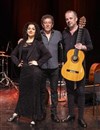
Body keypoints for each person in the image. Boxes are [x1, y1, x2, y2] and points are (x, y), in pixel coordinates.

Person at [7, 22, 52, 126]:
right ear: (26, 31)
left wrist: (38, 62)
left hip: (35, 72)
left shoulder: (38, 43)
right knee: (23, 93)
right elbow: (13, 54)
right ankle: (17, 112)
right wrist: (18, 63)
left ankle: (34, 116)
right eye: (29, 28)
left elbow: (48, 55)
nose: (31, 30)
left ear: (36, 31)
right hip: (24, 71)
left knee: (34, 94)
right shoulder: (22, 42)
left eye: (33, 29)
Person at [61, 10, 93, 128]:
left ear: (76, 19)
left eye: (70, 18)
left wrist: (82, 46)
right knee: (69, 92)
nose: (68, 20)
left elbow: (90, 46)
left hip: (79, 67)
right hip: (68, 67)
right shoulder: (64, 33)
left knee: (80, 92)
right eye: (66, 19)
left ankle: (81, 118)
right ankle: (71, 115)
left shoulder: (84, 32)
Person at [40, 14, 62, 123]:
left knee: (54, 91)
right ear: (42, 24)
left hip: (54, 67)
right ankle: (42, 113)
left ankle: (54, 114)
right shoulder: (38, 35)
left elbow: (64, 46)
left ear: (52, 24)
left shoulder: (58, 34)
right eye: (45, 22)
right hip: (42, 67)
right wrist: (21, 40)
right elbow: (29, 41)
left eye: (49, 22)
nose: (47, 24)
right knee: (42, 92)